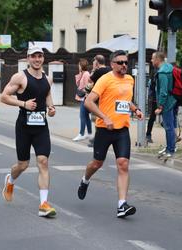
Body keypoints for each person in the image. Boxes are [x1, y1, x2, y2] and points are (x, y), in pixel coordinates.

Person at [77, 50, 144, 218]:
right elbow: (88, 102)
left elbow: (125, 101)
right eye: (120, 62)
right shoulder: (105, 79)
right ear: (112, 64)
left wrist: (135, 109)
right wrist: (105, 117)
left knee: (123, 164)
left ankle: (122, 205)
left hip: (122, 129)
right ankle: (85, 180)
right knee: (96, 164)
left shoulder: (130, 79)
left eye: (126, 63)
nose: (123, 65)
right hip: (104, 129)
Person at [0, 46, 57, 218]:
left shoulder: (48, 78)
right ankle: (10, 180)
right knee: (23, 165)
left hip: (41, 126)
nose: (37, 59)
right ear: (28, 58)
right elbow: (4, 96)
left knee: (43, 161)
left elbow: (46, 94)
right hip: (24, 127)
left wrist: (51, 107)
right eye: (34, 56)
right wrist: (24, 104)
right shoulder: (20, 77)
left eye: (40, 56)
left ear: (43, 58)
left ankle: (43, 204)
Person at [152, 51, 177, 159]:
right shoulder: (169, 67)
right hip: (173, 100)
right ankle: (169, 147)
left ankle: (170, 150)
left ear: (158, 59)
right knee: (170, 126)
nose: (152, 61)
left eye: (153, 59)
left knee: (169, 127)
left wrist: (160, 106)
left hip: (167, 103)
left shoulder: (162, 72)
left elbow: (163, 91)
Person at [86, 55, 111, 147]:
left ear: (96, 62)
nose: (93, 63)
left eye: (94, 62)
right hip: (108, 98)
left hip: (97, 98)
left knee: (96, 118)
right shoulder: (109, 69)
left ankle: (98, 138)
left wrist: (94, 69)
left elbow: (89, 80)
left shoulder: (98, 71)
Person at [72, 58, 92, 141]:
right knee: (86, 116)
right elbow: (78, 83)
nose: (78, 67)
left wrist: (83, 91)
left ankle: (81, 134)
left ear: (82, 65)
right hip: (84, 97)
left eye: (79, 65)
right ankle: (90, 134)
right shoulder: (83, 73)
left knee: (82, 116)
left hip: (85, 97)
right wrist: (80, 74)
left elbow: (88, 86)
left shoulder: (86, 74)